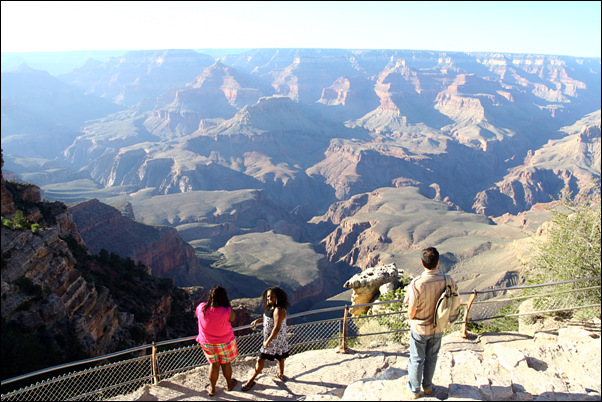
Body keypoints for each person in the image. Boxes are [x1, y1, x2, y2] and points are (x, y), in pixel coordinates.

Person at [403, 247, 458, 399]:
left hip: (420, 329)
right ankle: (427, 387)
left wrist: (411, 317)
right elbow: (454, 298)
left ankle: (414, 390)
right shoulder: (448, 280)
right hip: (438, 327)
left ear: (422, 263)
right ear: (438, 262)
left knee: (416, 358)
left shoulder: (417, 284)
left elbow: (411, 311)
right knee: (432, 357)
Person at [242, 286, 290, 391]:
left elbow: (277, 328)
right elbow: (269, 318)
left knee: (261, 358)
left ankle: (251, 381)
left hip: (274, 339)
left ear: (278, 297)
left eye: (272, 296)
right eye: (268, 297)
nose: (269, 299)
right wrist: (259, 320)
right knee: (280, 355)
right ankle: (281, 374)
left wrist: (268, 341)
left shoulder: (278, 310)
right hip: (274, 339)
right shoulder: (272, 308)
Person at [195, 285, 238, 396]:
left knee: (214, 365)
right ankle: (229, 384)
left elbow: (199, 316)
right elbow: (232, 319)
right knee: (226, 364)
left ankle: (212, 389)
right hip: (225, 342)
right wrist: (227, 305)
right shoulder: (227, 311)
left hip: (207, 343)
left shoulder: (201, 308)